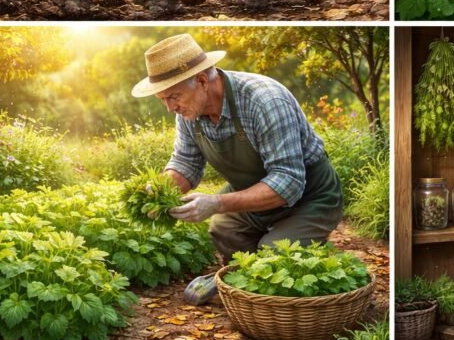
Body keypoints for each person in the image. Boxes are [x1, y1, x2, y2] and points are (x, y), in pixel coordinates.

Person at [130, 34, 343, 304]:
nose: (170, 107)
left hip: (310, 196)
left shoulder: (264, 101)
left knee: (276, 252)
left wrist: (217, 202)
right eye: (163, 99)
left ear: (203, 81)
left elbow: (288, 181)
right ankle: (248, 285)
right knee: (224, 228)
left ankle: (304, 263)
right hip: (253, 190)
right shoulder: (189, 111)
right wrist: (161, 190)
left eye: (173, 96)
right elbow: (186, 162)